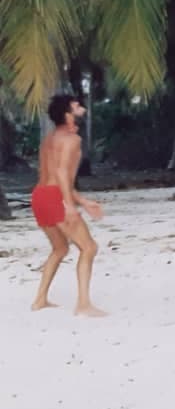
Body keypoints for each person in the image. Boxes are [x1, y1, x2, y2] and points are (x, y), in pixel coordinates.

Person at [30, 94, 106, 316]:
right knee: (89, 248)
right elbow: (63, 173)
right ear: (68, 114)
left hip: (40, 195)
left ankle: (40, 300)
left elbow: (52, 175)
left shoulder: (50, 139)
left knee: (60, 248)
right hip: (55, 197)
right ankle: (83, 304)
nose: (81, 107)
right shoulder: (73, 140)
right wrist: (70, 206)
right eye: (76, 106)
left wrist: (82, 201)